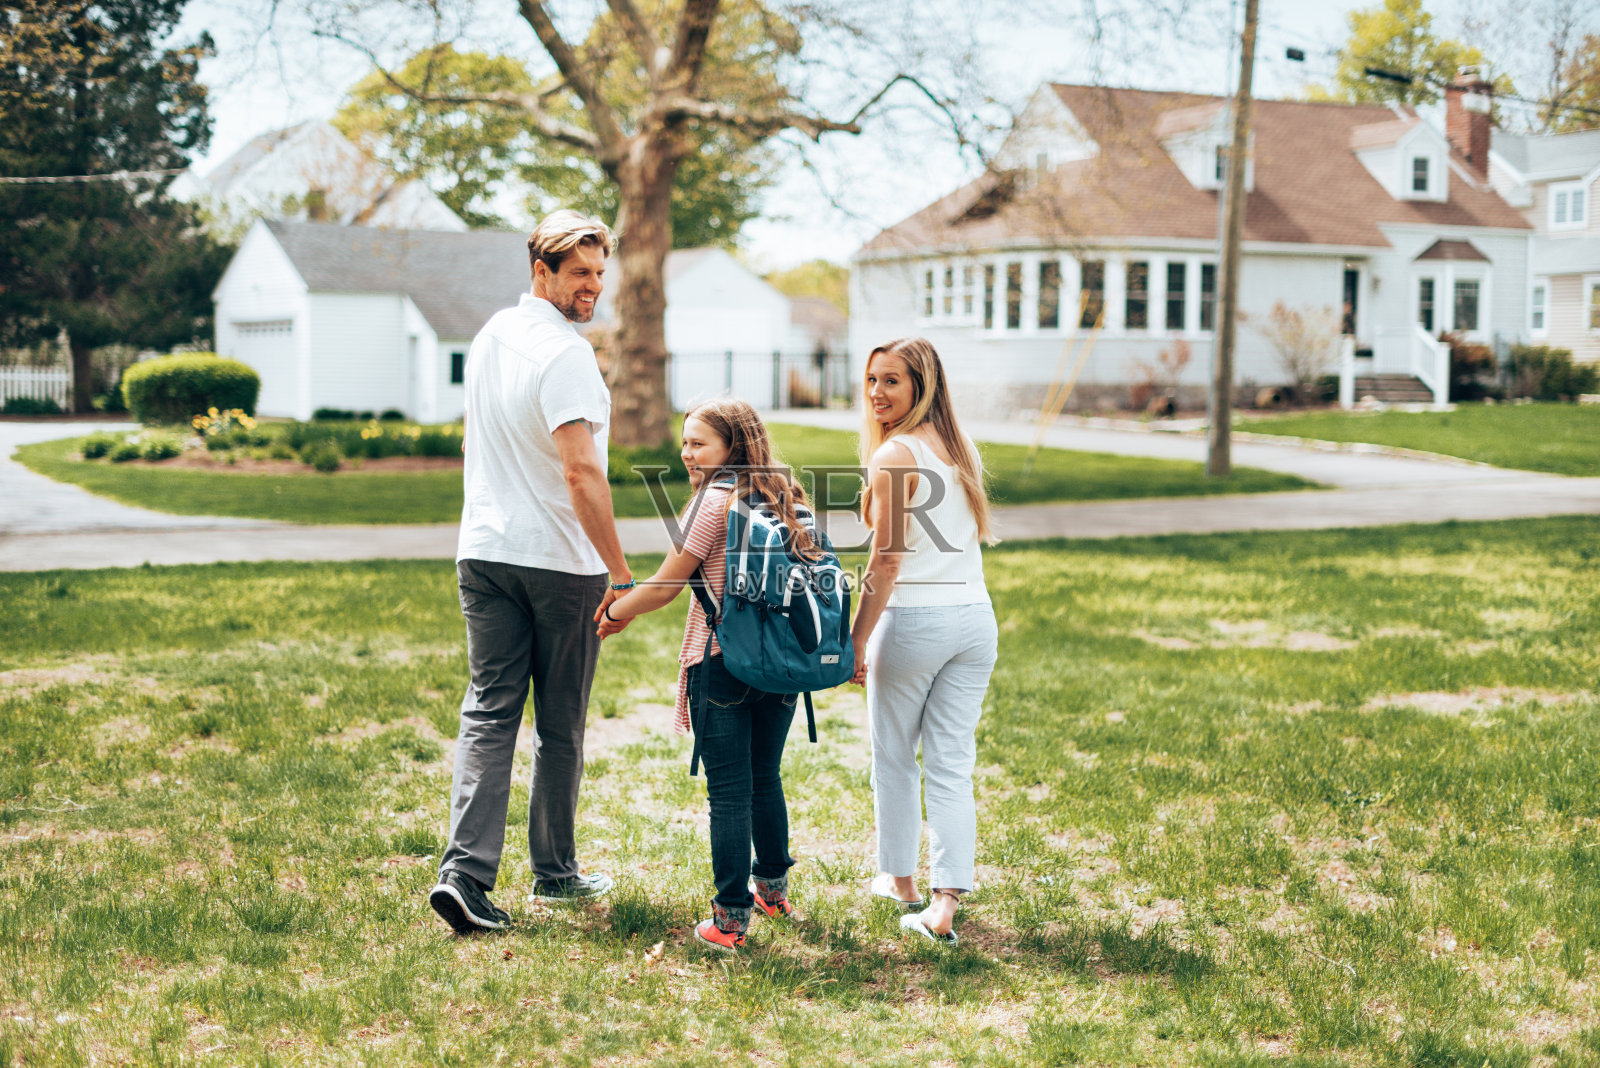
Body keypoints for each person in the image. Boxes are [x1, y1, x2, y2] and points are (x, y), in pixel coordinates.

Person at [429, 211, 634, 934]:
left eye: (600, 272)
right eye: (580, 272)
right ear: (540, 270)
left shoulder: (491, 336)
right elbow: (582, 472)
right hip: (556, 560)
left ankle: (465, 874)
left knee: (489, 710)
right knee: (560, 725)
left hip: (482, 549)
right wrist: (619, 572)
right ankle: (555, 873)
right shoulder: (565, 353)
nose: (594, 286)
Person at [596, 399, 816, 952]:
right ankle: (773, 890)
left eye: (699, 444)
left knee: (730, 794)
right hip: (781, 664)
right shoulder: (783, 494)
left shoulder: (711, 501)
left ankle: (729, 921)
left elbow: (669, 585)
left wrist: (614, 612)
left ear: (731, 448)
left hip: (721, 662)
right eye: (686, 441)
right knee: (765, 776)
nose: (686, 453)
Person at [849, 337, 998, 948]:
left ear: (921, 387)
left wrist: (854, 640)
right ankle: (945, 904)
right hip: (975, 621)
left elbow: (886, 560)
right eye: (872, 380)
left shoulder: (894, 455)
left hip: (914, 622)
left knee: (893, 756)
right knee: (951, 763)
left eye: (893, 382)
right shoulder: (957, 450)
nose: (878, 394)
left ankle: (905, 883)